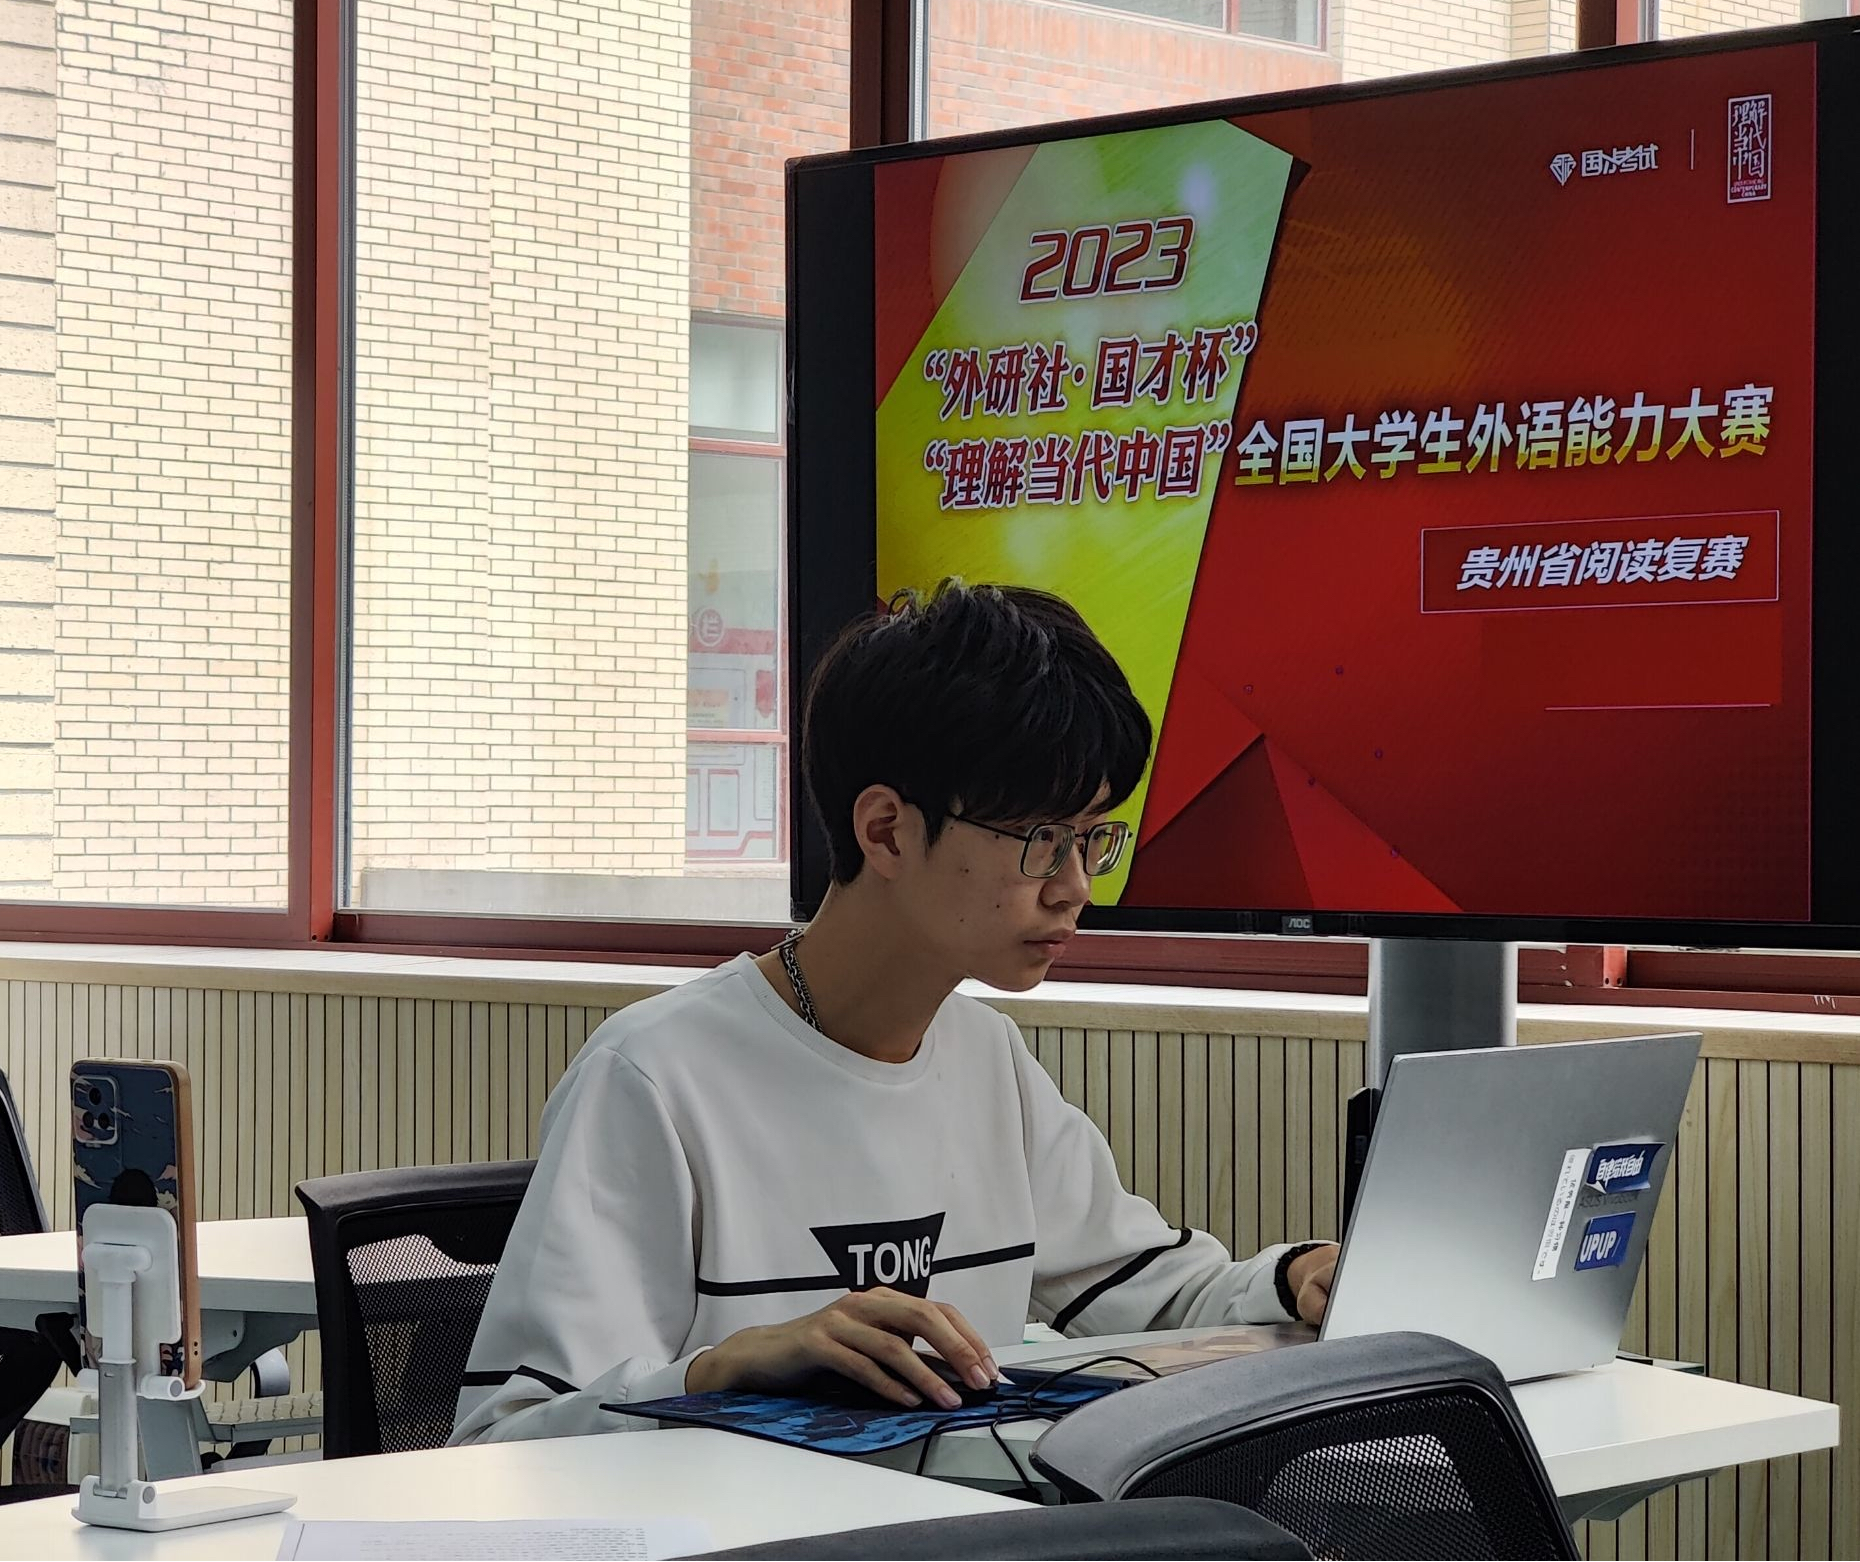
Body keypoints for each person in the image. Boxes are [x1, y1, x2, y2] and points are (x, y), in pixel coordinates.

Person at [453, 580, 1338, 1444]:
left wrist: (1296, 1275)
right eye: (1043, 841)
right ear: (886, 831)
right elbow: (504, 1441)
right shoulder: (654, 1076)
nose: (1076, 888)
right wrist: (719, 1374)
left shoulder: (986, 1059)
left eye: (1092, 839)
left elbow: (1151, 1293)